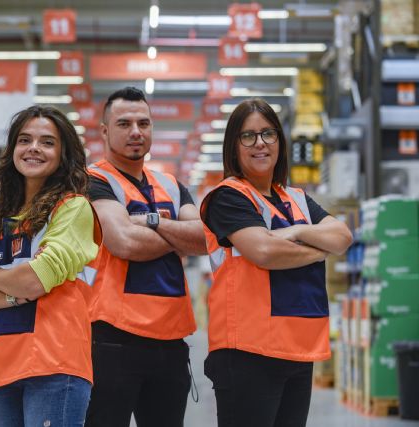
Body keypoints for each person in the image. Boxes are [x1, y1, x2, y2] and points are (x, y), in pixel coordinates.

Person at [200, 98, 353, 427]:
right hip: (248, 351)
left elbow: (342, 237)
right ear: (234, 145)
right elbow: (264, 252)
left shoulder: (295, 199)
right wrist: (318, 247)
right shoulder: (228, 197)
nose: (260, 143)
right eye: (248, 136)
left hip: (299, 347)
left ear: (280, 142)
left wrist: (296, 231)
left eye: (268, 134)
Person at [0, 105, 100, 427]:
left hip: (53, 361)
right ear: (12, 150)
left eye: (47, 142)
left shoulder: (72, 209)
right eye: (25, 140)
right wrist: (11, 294)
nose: (33, 148)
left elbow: (34, 281)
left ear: (63, 154)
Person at [84, 86, 207, 427]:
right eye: (124, 123)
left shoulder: (171, 184)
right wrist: (177, 234)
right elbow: (123, 241)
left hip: (171, 338)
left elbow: (204, 239)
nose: (136, 131)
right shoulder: (92, 180)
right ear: (105, 131)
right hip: (113, 337)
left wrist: (152, 222)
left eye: (144, 123)